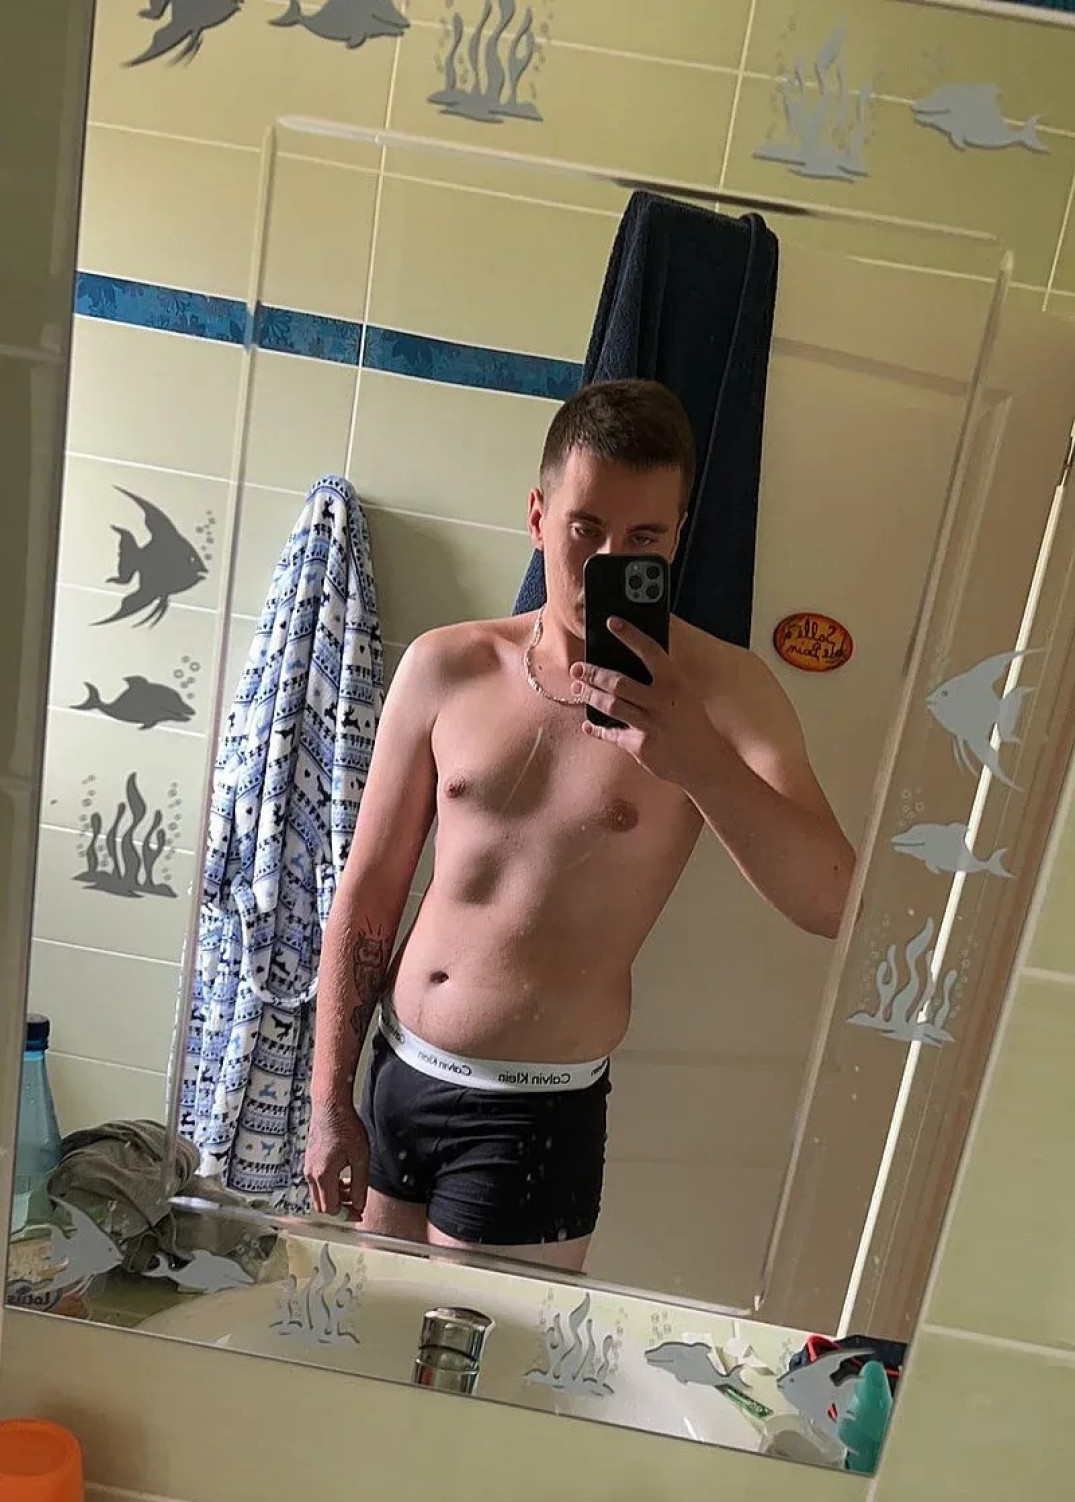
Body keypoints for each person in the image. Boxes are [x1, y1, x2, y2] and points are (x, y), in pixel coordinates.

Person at [305, 379, 855, 1271]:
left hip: (534, 1110)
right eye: (584, 529)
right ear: (537, 516)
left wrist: (695, 759)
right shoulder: (448, 665)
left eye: (642, 539)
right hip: (397, 1074)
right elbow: (369, 892)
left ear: (675, 538)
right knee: (369, 1329)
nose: (606, 559)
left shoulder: (723, 693)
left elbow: (836, 903)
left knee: (472, 1357)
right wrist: (330, 1097)